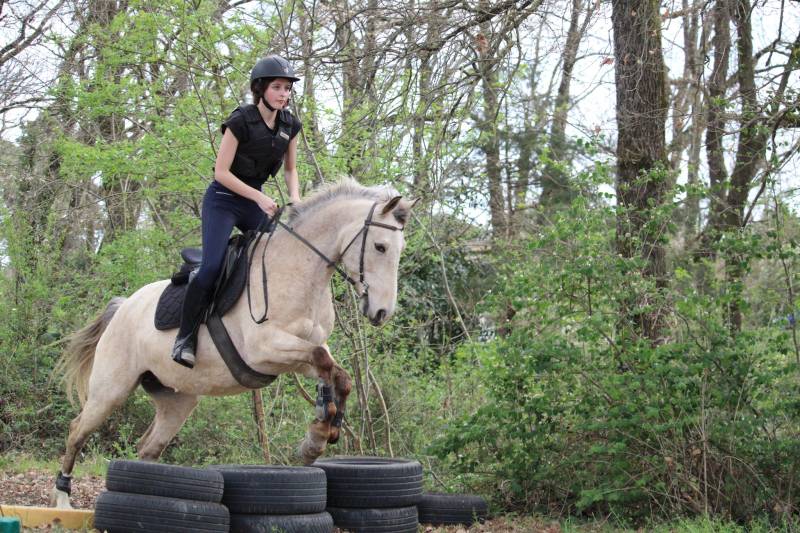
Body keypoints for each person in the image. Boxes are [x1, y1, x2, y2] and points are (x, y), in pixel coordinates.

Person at [171, 55, 303, 368]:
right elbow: (221, 172)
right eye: (277, 87)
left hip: (254, 201)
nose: (284, 94)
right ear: (260, 89)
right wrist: (258, 197)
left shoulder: (290, 125)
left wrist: (296, 199)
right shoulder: (240, 120)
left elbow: (291, 169)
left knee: (276, 259)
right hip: (223, 200)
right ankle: (185, 338)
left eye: (287, 88)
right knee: (212, 266)